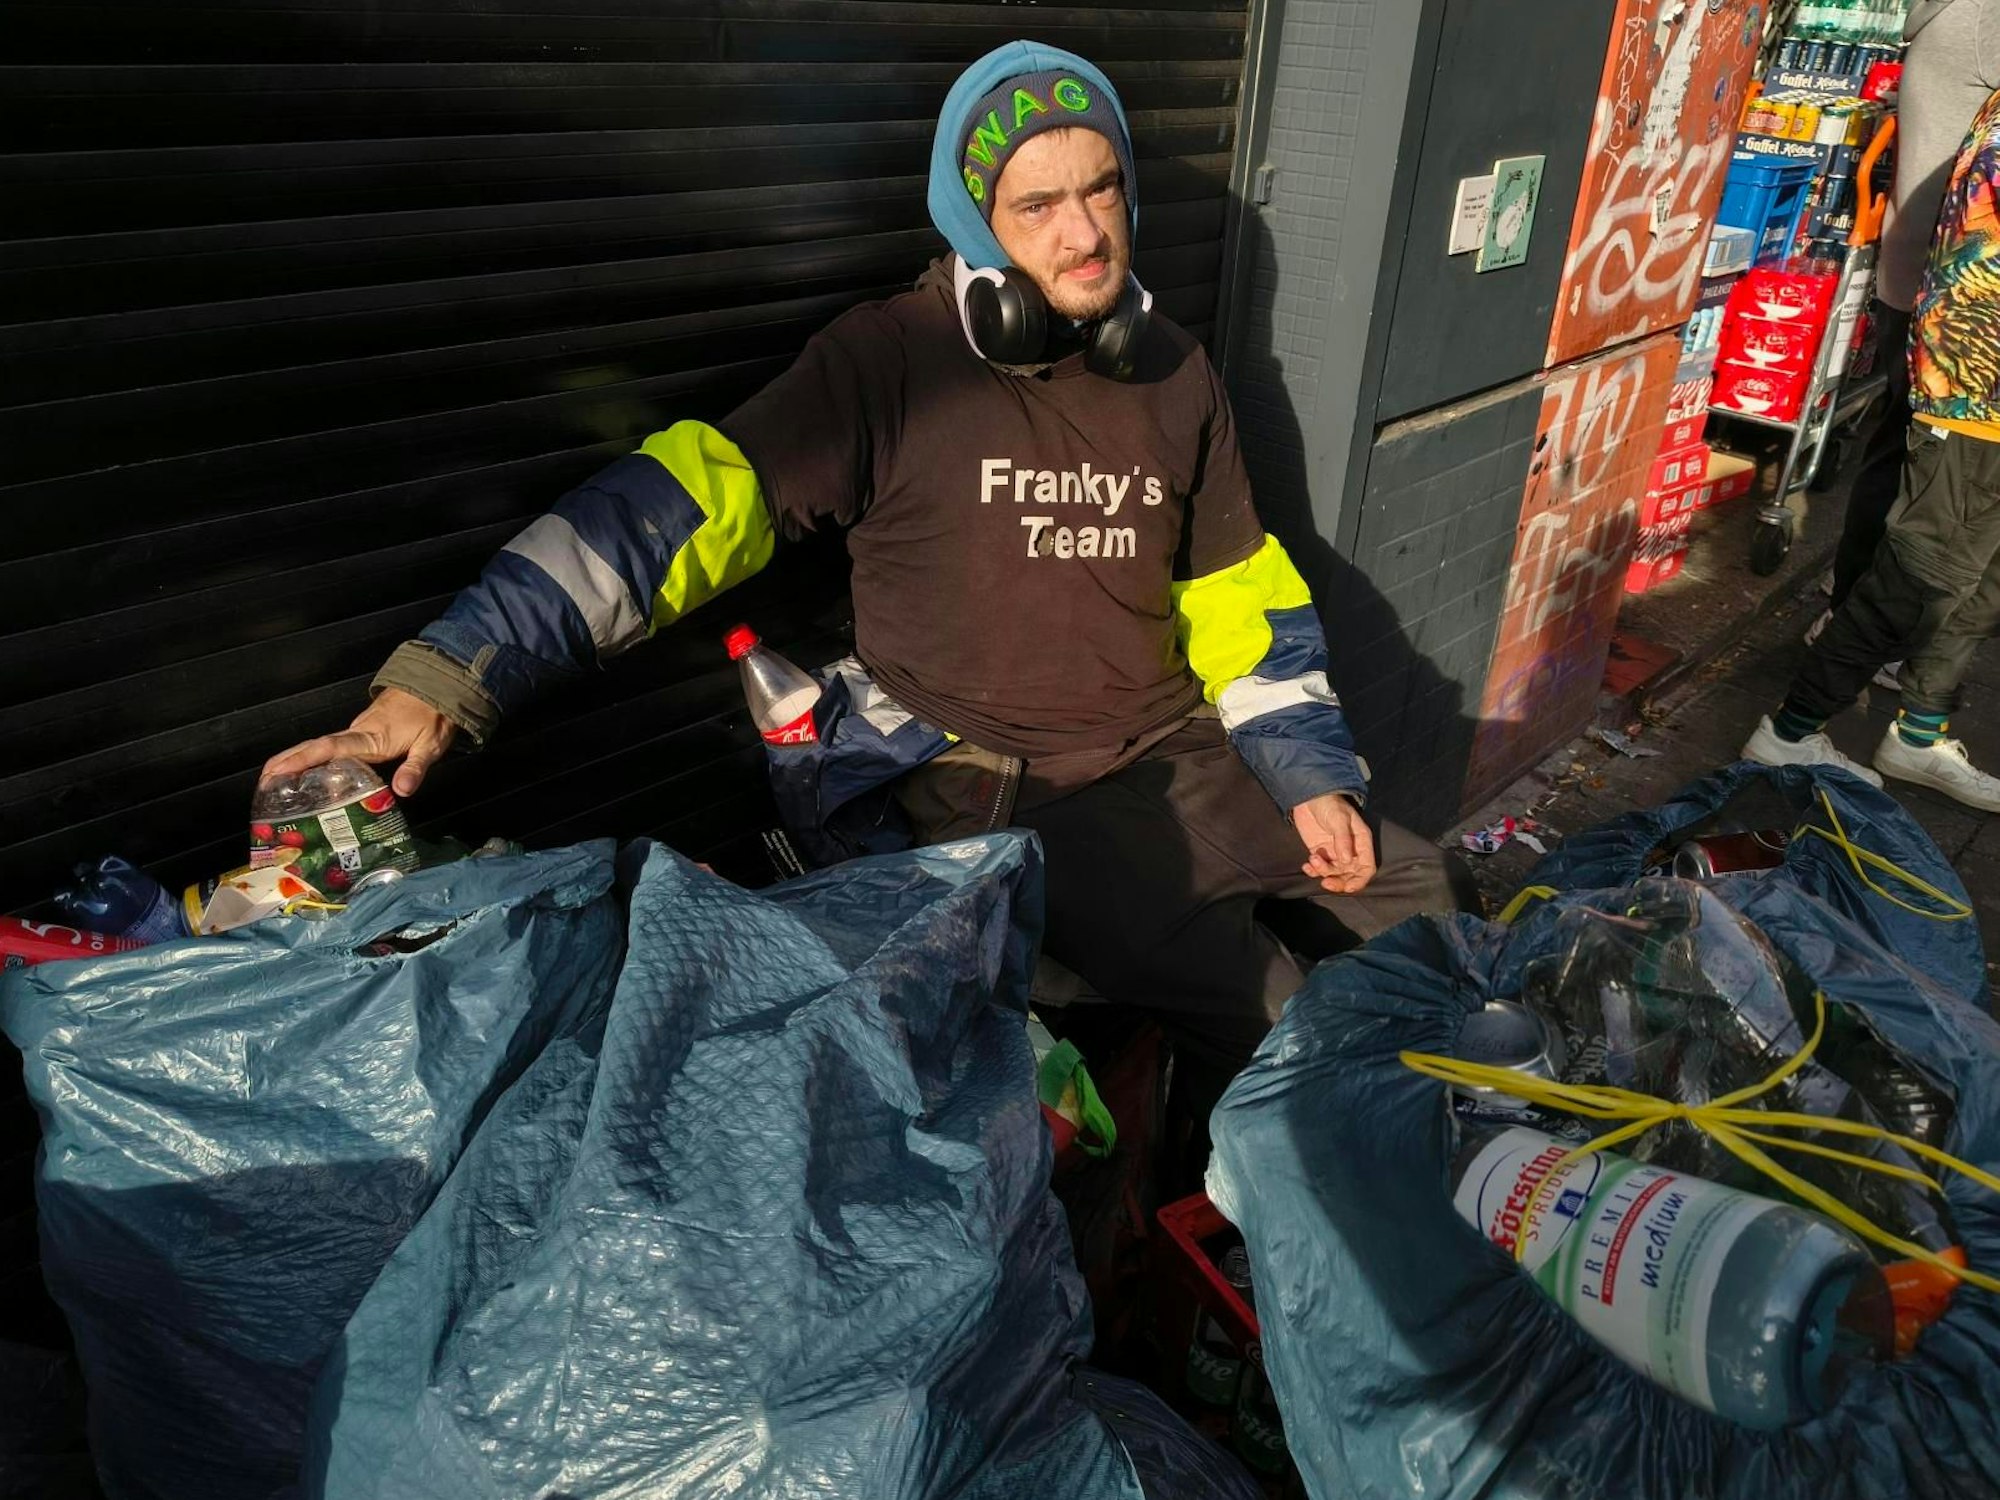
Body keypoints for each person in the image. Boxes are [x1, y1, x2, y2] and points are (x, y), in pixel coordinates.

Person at [263, 41, 1470, 1110]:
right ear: (974, 225)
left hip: (1180, 749)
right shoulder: (887, 365)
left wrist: (1308, 773)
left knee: (1424, 904)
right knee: (1267, 1014)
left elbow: (1239, 595)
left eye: (1100, 188)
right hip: (1011, 781)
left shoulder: (1174, 373)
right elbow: (663, 518)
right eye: (1037, 205)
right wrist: (451, 675)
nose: (1084, 234)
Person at [1745, 79, 2000, 811]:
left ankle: (1918, 733)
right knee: (1923, 576)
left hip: (1976, 382)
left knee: (1981, 580)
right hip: (1978, 389)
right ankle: (1791, 731)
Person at [1810, 0, 1999, 677]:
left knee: (1904, 450)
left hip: (1932, 285)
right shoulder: (1985, 18)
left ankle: (1856, 614)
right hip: (1958, 302)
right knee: (1928, 474)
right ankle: (1867, 633)